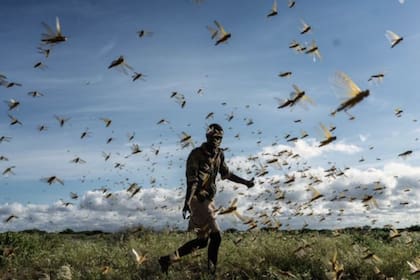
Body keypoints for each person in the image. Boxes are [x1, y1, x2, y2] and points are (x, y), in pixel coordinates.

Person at [159, 123, 254, 276]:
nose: (216, 140)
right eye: (213, 137)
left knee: (203, 242)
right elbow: (192, 181)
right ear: (207, 137)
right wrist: (187, 202)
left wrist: (246, 183)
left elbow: (227, 174)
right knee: (216, 236)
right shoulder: (196, 155)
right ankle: (212, 273)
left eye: (219, 138)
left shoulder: (219, 155)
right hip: (198, 200)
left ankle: (167, 259)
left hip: (208, 200)